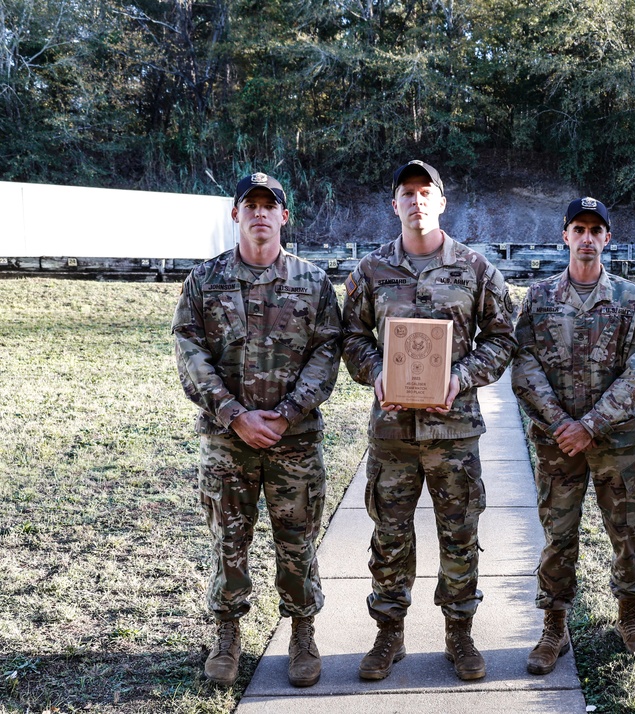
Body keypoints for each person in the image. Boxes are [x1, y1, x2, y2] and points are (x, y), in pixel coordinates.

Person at [341, 160, 516, 681]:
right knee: (389, 536)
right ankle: (388, 635)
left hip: (454, 433)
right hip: (393, 433)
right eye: (406, 193)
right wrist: (374, 372)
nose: (416, 201)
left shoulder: (476, 269)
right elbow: (350, 338)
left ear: (442, 201)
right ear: (393, 204)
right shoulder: (370, 272)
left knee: (459, 535)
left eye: (426, 192)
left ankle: (459, 635)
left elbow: (503, 338)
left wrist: (460, 377)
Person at [172, 172, 343, 688]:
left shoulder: (313, 283)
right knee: (228, 538)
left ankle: (302, 632)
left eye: (271, 206)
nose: (261, 213)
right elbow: (189, 352)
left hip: (295, 442)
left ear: (284, 216)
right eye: (252, 204)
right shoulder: (204, 281)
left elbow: (326, 352)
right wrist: (234, 415)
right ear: (236, 214)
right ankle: (227, 633)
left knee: (298, 541)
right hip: (228, 443)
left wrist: (287, 413)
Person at [511, 197, 635, 674]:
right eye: (579, 228)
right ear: (566, 236)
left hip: (615, 441)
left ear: (607, 238)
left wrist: (590, 425)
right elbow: (525, 366)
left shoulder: (630, 299)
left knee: (627, 531)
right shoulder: (538, 299)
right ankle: (554, 627)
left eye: (597, 230)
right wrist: (560, 425)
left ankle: (631, 619)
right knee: (558, 535)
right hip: (558, 445)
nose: (588, 237)